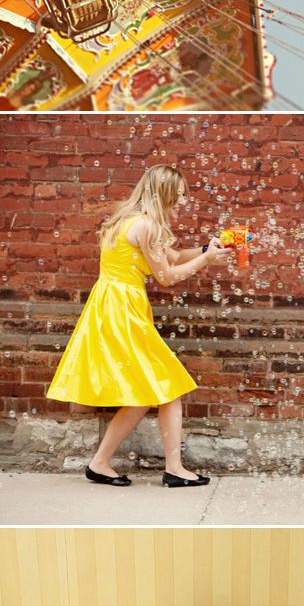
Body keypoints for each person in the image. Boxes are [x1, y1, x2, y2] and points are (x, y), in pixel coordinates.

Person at [46, 165, 233, 488]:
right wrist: (206, 263)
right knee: (169, 385)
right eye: (180, 195)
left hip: (114, 308)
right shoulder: (146, 226)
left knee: (143, 394)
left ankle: (100, 463)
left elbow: (172, 257)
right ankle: (174, 469)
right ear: (164, 196)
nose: (184, 202)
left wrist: (206, 250)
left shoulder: (127, 220)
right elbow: (166, 276)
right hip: (123, 313)